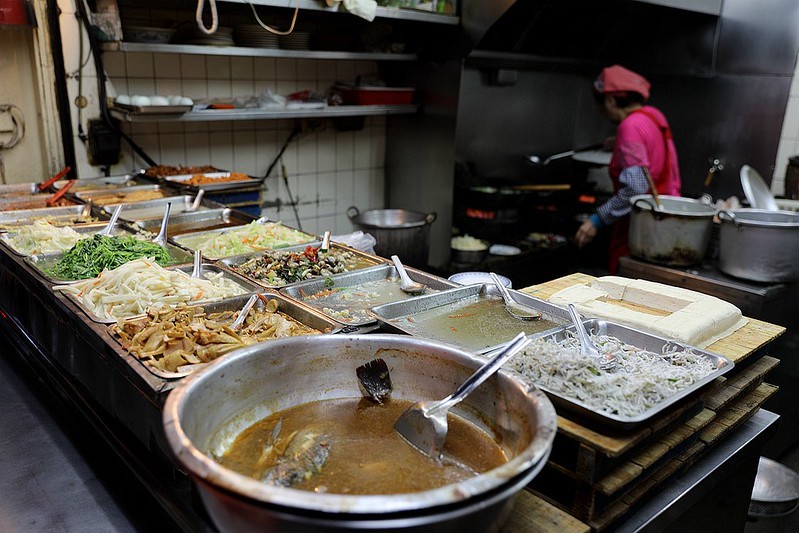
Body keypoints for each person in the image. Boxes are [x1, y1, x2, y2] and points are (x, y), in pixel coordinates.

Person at [575, 64, 681, 274]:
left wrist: (596, 219)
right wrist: (619, 143)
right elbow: (652, 148)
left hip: (642, 227)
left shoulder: (629, 127)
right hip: (666, 221)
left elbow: (635, 188)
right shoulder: (652, 116)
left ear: (611, 100)